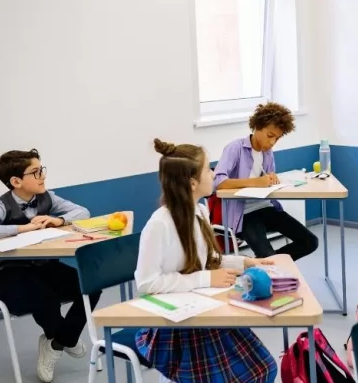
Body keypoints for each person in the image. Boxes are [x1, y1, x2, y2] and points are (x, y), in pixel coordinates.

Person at [135, 139, 277, 383]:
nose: (213, 174)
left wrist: (246, 263)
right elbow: (146, 283)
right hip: (176, 327)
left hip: (204, 311)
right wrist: (205, 278)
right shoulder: (159, 225)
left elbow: (209, 258)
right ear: (192, 183)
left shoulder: (200, 211)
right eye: (208, 170)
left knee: (265, 368)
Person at [0, 149, 96, 383]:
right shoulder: (1, 205)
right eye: (35, 171)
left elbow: (83, 212)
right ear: (16, 181)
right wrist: (22, 229)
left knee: (91, 285)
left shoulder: (47, 197)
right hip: (9, 273)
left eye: (42, 169)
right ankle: (61, 338)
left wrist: (58, 220)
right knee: (44, 297)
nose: (42, 175)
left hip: (44, 265)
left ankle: (59, 341)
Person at [214, 102, 318, 261]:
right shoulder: (235, 148)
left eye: (276, 138)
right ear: (257, 126)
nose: (272, 143)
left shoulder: (267, 153)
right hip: (244, 214)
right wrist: (257, 182)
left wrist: (272, 179)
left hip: (267, 208)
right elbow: (218, 182)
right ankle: (269, 263)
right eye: (270, 136)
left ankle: (266, 263)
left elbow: (265, 179)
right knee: (268, 256)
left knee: (310, 242)